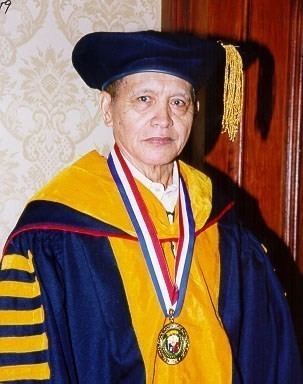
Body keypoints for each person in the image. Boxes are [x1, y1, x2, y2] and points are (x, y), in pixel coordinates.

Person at [0, 30, 301, 383]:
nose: (164, 119)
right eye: (144, 99)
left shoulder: (224, 225)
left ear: (195, 111)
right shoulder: (52, 233)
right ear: (107, 109)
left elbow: (268, 356)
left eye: (179, 102)